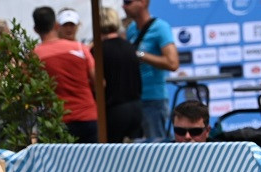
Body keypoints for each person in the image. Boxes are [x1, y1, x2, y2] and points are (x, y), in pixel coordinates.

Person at [33, 6, 98, 143]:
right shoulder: (80, 48)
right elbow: (99, 81)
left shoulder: (34, 56)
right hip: (87, 116)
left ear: (35, 30)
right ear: (56, 26)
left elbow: (31, 92)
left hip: (56, 121)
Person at [123, 0, 179, 142]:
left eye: (128, 2)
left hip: (154, 100)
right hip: (134, 100)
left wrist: (141, 55)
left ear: (143, 2)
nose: (124, 6)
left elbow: (172, 63)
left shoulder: (160, 28)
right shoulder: (131, 29)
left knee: (157, 147)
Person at [93, 6, 143, 143]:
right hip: (136, 108)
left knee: (111, 157)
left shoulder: (98, 50)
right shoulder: (129, 47)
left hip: (114, 110)